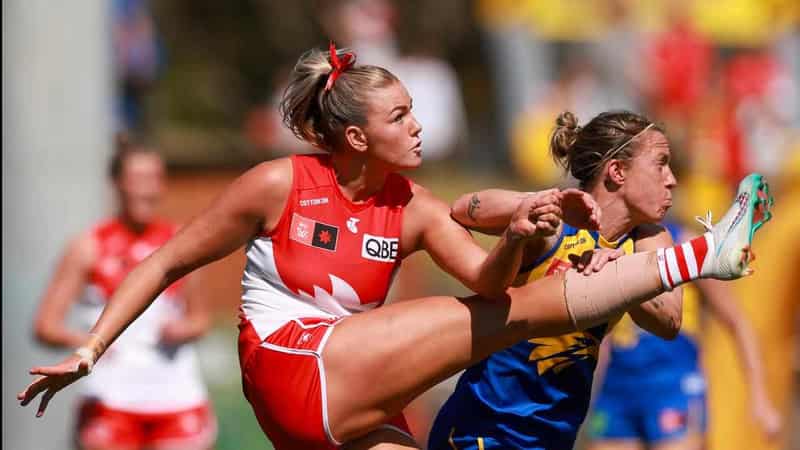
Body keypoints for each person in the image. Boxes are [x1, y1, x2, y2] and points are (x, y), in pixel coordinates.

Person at [19, 45, 771, 450]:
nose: (420, 125)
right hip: (294, 367)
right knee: (503, 317)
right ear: (356, 136)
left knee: (500, 305)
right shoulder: (278, 182)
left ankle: (700, 256)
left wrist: (515, 238)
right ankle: (706, 254)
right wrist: (91, 346)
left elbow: (487, 273)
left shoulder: (412, 207)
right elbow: (167, 260)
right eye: (402, 114)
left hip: (356, 402)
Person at [427, 110, 773, 450]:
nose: (672, 179)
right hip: (488, 426)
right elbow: (462, 209)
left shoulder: (649, 238)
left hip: (555, 432)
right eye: (661, 163)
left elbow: (670, 320)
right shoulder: (557, 221)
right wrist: (532, 204)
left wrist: (621, 276)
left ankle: (707, 252)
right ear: (618, 171)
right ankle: (709, 252)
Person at [30, 134, 216, 449]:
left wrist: (181, 329)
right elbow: (45, 325)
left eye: (155, 178)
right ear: (117, 184)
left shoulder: (182, 242)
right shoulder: (88, 246)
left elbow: (200, 320)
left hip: (176, 398)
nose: (147, 188)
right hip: (110, 399)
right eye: (138, 178)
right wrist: (91, 345)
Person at [586, 219, 782, 450]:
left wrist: (760, 397)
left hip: (674, 385)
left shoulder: (686, 244)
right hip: (617, 387)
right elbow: (603, 335)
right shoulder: (608, 248)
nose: (669, 183)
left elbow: (737, 322)